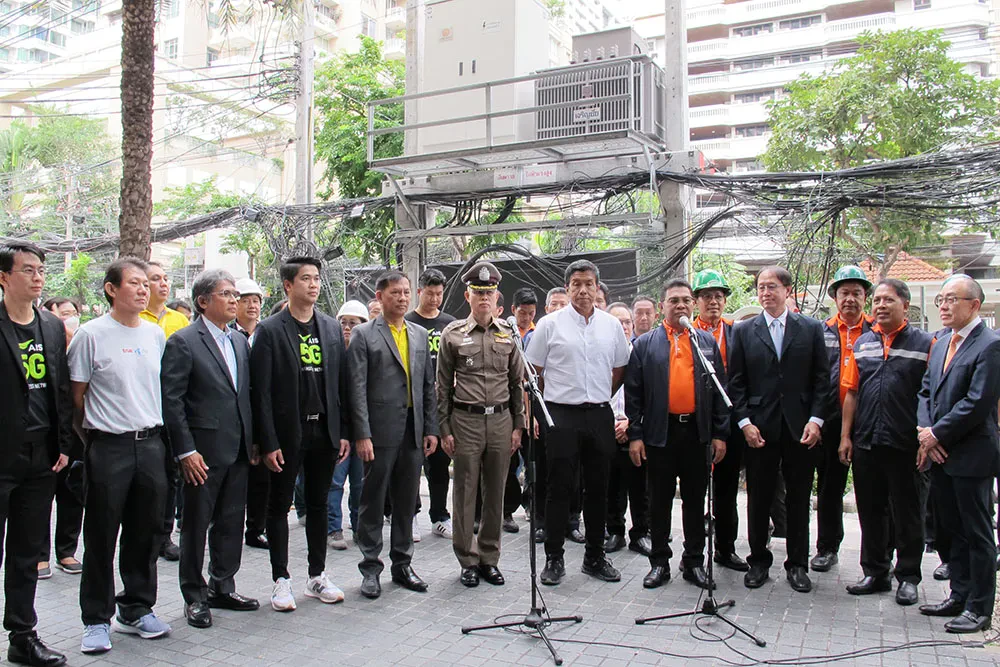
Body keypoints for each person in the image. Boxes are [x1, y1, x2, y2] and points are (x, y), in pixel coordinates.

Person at [70, 257, 171, 654]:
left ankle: (136, 608)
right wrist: (92, 439)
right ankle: (96, 619)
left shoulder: (154, 334)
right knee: (100, 534)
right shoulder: (90, 335)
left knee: (146, 532)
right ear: (112, 289)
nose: (143, 289)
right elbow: (75, 399)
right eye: (134, 283)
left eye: (146, 283)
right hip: (107, 445)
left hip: (151, 444)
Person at [250, 256, 351, 612]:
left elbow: (341, 384)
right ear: (288, 286)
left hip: (323, 429)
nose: (313, 284)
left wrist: (343, 432)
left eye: (316, 278)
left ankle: (317, 575)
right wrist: (268, 442)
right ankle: (281, 580)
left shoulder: (329, 327)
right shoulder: (270, 330)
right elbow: (259, 393)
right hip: (287, 432)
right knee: (279, 507)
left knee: (321, 503)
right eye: (305, 278)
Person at [161, 269, 259, 629]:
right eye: (226, 294)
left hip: (237, 450)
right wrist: (185, 451)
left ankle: (223, 585)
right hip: (201, 454)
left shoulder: (238, 341)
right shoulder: (184, 341)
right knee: (195, 526)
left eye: (236, 294)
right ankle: (194, 595)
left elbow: (245, 395)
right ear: (203, 301)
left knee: (232, 523)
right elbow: (172, 401)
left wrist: (255, 442)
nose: (235, 300)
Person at [526, 260, 631, 586]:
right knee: (559, 488)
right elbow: (534, 371)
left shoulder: (611, 326)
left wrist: (599, 396)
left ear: (597, 288)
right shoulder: (550, 324)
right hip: (561, 414)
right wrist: (543, 411)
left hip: (599, 413)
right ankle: (554, 559)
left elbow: (618, 370)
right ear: (568, 287)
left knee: (598, 489)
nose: (583, 290)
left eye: (589, 284)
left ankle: (594, 557)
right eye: (576, 284)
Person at [728, 266, 831, 593]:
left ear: (788, 290)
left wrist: (816, 420)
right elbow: (737, 383)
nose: (765, 293)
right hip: (760, 427)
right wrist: (745, 423)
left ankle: (798, 564)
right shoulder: (744, 331)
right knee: (758, 497)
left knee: (799, 499)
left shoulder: (811, 329)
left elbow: (822, 381)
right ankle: (758, 560)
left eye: (772, 287)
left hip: (801, 427)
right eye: (761, 287)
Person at [626, 280, 728, 589]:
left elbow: (720, 388)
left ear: (693, 305)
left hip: (697, 433)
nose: (681, 305)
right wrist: (636, 435)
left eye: (686, 300)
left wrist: (720, 433)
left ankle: (693, 562)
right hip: (660, 433)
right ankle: (659, 562)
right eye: (674, 301)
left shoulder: (706, 342)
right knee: (659, 500)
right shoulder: (645, 345)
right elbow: (634, 395)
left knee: (695, 501)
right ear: (662, 307)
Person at [0, 242, 71, 667]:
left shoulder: (49, 325)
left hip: (40, 455)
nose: (38, 276)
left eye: (41, 269)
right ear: (5, 277)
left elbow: (60, 388)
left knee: (27, 553)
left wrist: (63, 444)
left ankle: (22, 636)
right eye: (28, 269)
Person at [838, 279, 931, 606]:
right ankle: (875, 572)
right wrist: (845, 436)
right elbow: (852, 392)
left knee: (907, 513)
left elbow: (931, 395)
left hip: (905, 444)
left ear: (905, 306)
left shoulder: (925, 344)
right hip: (866, 442)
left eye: (887, 300)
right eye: (876, 300)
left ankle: (908, 576)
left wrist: (925, 438)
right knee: (871, 511)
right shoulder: (862, 343)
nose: (879, 305)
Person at [916, 275, 1000, 633]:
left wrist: (936, 433)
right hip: (939, 454)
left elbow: (978, 402)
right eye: (942, 300)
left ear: (974, 305)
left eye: (952, 299)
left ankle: (980, 608)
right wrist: (925, 433)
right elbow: (925, 392)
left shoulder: (990, 345)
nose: (945, 306)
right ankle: (959, 594)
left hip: (971, 454)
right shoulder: (941, 342)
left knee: (977, 532)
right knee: (951, 530)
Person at [349, 270, 439, 599]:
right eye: (394, 293)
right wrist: (362, 434)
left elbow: (428, 386)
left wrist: (431, 428)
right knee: (373, 500)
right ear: (379, 296)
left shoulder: (417, 334)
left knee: (406, 500)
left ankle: (403, 564)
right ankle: (370, 567)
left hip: (413, 430)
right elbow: (356, 388)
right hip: (379, 431)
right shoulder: (363, 334)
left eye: (405, 293)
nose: (402, 298)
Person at [437, 262, 525, 587]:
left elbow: (517, 384)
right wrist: (444, 428)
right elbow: (442, 386)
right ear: (468, 295)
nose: (484, 298)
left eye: (489, 292)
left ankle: (490, 558)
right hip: (466, 422)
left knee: (496, 493)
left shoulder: (508, 334)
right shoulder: (453, 334)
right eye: (478, 292)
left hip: (501, 420)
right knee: (465, 491)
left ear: (496, 296)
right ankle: (467, 560)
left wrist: (519, 425)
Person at [812, 266, 873, 574]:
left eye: (857, 293)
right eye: (844, 293)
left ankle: (878, 555)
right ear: (834, 297)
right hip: (830, 420)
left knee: (872, 490)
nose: (850, 299)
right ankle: (827, 547)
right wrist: (817, 421)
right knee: (829, 486)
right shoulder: (819, 332)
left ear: (866, 298)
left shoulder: (876, 331)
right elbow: (813, 379)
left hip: (870, 422)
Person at [690, 269, 747, 572]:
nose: (713, 301)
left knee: (726, 490)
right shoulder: (687, 332)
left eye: (718, 296)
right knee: (695, 489)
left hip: (729, 421)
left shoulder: (738, 332)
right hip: (696, 422)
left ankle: (726, 548)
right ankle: (695, 552)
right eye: (707, 296)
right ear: (696, 300)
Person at [140, 261, 189, 563]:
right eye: (153, 279)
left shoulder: (178, 321)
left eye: (165, 278)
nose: (162, 283)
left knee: (171, 478)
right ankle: (144, 534)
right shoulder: (135, 319)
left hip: (171, 409)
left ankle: (165, 535)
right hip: (142, 410)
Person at [404, 268, 456, 541]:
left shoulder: (450, 323)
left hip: (441, 406)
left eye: (439, 294)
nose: (435, 299)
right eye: (430, 293)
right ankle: (411, 515)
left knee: (439, 465)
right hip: (412, 404)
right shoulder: (407, 322)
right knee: (412, 463)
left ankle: (440, 516)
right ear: (419, 291)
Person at [37, 296, 84, 580]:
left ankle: (66, 550)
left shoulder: (82, 345)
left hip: (76, 431)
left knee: (72, 493)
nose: (71, 318)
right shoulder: (42, 346)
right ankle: (39, 555)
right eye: (65, 313)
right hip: (47, 433)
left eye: (74, 312)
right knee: (41, 496)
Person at [604, 302, 651, 557]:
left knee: (640, 486)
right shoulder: (600, 355)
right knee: (612, 485)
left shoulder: (642, 353)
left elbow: (650, 395)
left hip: (635, 430)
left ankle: (641, 533)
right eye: (617, 322)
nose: (622, 326)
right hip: (606, 429)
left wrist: (631, 424)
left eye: (626, 322)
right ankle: (615, 532)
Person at [326, 300, 369, 550]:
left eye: (353, 323)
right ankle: (334, 529)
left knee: (360, 483)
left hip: (362, 431)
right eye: (343, 322)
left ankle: (359, 527)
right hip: (338, 433)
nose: (347, 328)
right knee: (334, 482)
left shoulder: (369, 353)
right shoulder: (333, 354)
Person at [231, 278, 269, 550]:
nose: (252, 305)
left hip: (261, 414)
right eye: (246, 300)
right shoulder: (228, 335)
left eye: (256, 300)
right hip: (234, 418)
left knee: (261, 478)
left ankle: (256, 528)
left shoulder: (267, 333)